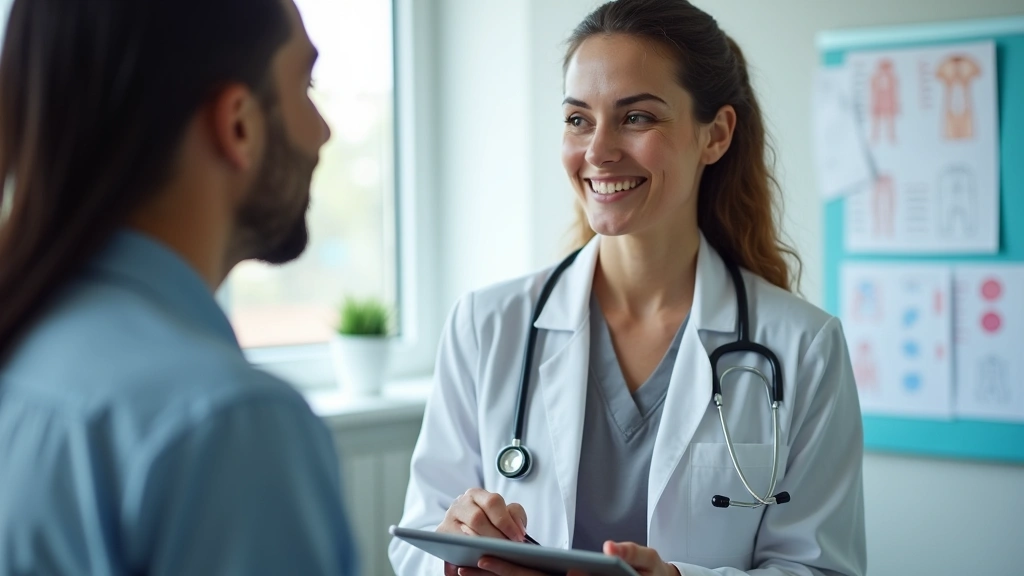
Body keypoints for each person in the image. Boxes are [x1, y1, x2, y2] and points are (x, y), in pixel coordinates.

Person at [389, 0, 866, 575]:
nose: (597, 150)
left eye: (636, 117)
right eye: (577, 119)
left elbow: (822, 569)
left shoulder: (803, 347)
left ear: (715, 135)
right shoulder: (487, 325)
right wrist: (455, 551)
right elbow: (416, 542)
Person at [0, 0, 357, 574]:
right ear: (238, 123)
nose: (322, 131)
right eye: (305, 82)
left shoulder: (25, 354)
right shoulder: (230, 422)